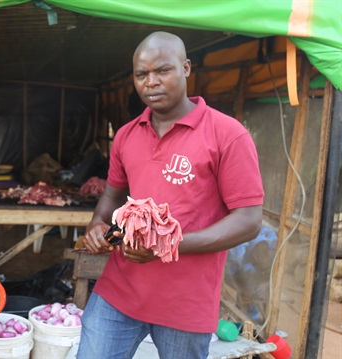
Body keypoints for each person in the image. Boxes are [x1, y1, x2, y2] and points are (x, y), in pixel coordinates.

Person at [76, 31, 264, 359]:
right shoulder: (126, 135)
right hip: (119, 291)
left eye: (163, 70)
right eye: (141, 74)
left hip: (185, 304)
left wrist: (168, 243)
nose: (151, 82)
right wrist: (96, 223)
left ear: (187, 68)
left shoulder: (227, 135)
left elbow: (248, 221)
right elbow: (111, 196)